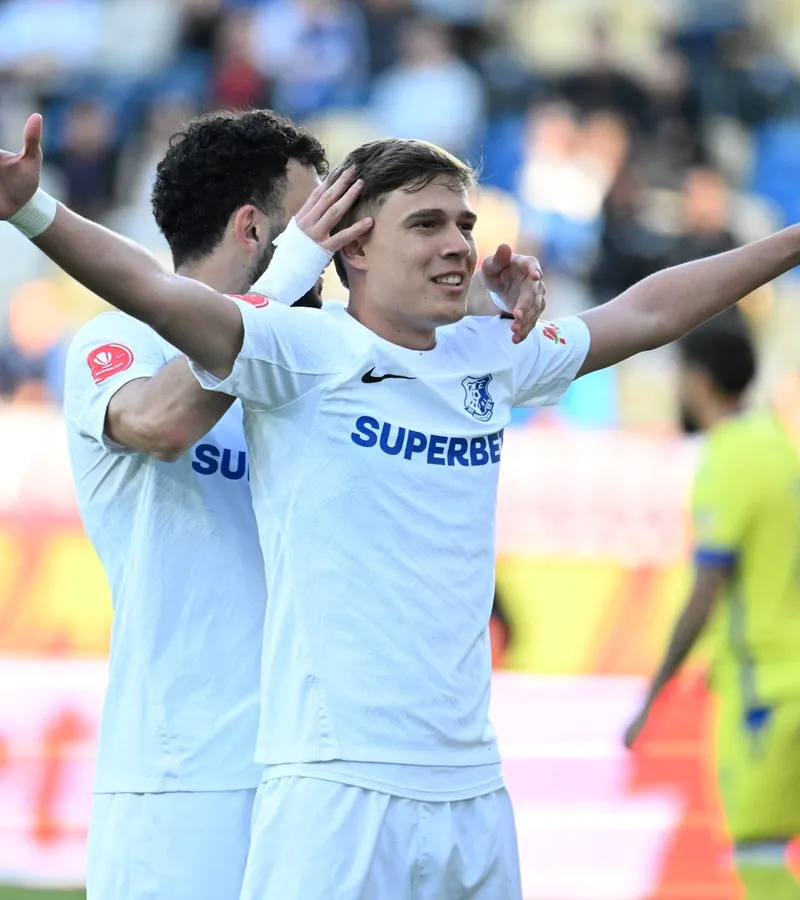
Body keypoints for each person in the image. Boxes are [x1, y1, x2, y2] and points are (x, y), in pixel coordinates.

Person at [3, 119, 800, 899]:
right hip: (207, 772)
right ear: (274, 233)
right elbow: (165, 412)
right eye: (319, 217)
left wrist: (470, 295)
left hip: (441, 775)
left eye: (464, 225)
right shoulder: (255, 348)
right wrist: (31, 208)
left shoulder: (454, 352)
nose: (326, 237)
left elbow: (642, 315)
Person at [57, 109, 375, 900]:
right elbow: (160, 424)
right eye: (312, 233)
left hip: (319, 776)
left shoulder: (315, 357)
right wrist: (277, 288)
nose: (328, 259)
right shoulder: (123, 338)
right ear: (253, 229)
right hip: (181, 776)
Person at [624, 316, 800, 900]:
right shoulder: (778, 445)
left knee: (756, 854)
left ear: (698, 380)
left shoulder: (729, 458)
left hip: (764, 692)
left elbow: (705, 594)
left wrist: (651, 697)